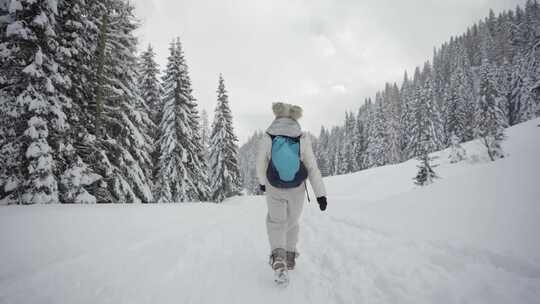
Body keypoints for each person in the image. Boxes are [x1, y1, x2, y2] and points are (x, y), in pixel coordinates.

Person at [256, 102, 327, 276]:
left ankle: (278, 258)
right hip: (297, 188)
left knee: (276, 222)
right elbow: (311, 167)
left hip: (274, 186)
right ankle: (289, 257)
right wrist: (320, 195)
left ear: (277, 116)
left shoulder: (269, 136)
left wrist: (263, 182)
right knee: (292, 222)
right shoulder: (301, 137)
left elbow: (260, 162)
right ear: (294, 117)